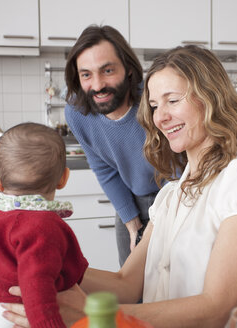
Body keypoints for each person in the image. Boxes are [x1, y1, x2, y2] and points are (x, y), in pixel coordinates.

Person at [1, 45, 237, 328]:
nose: (160, 117)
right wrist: (40, 266)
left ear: (210, 98)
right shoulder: (170, 196)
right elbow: (126, 284)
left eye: (172, 100)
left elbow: (216, 308)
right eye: (155, 106)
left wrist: (93, 314)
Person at [0, 122, 89, 328]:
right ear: (64, 178)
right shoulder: (41, 227)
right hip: (30, 315)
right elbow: (37, 285)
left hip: (1, 307)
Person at [64, 25, 159, 267]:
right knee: (130, 287)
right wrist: (132, 224)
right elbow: (104, 169)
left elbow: (181, 166)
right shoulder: (76, 113)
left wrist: (160, 222)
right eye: (86, 74)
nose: (97, 86)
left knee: (172, 286)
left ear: (128, 69)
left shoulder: (154, 100)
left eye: (107, 70)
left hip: (175, 195)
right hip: (131, 202)